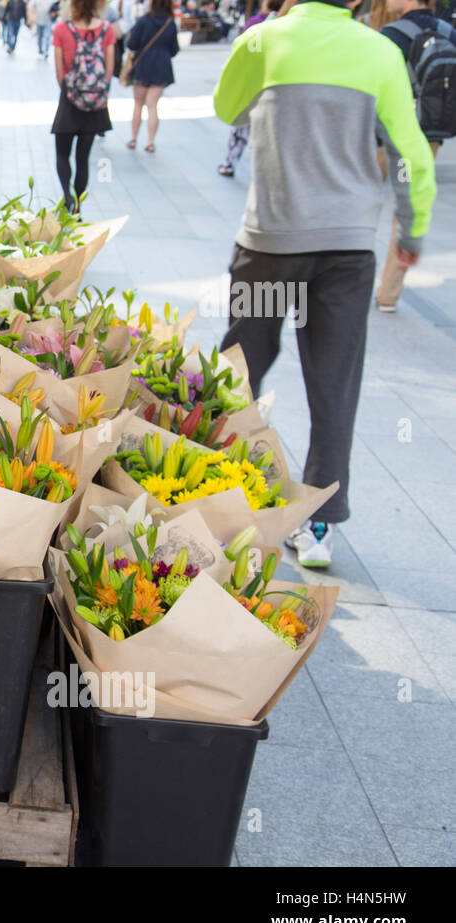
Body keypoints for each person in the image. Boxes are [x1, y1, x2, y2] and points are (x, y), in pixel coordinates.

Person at [213, 0, 435, 568]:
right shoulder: (379, 51)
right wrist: (411, 228)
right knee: (334, 384)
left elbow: (225, 110)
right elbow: (410, 155)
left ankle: (214, 491)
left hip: (269, 246)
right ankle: (317, 526)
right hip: (345, 253)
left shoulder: (262, 42)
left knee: (239, 368)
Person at [374, 0, 454, 311]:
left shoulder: (391, 36)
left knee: (365, 195)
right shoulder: (447, 30)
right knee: (404, 205)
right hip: (428, 140)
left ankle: (353, 278)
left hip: (389, 139)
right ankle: (389, 294)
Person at [51, 0, 116, 212]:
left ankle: (67, 196)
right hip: (95, 104)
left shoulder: (62, 29)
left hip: (70, 101)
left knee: (62, 153)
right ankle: (78, 205)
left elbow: (60, 72)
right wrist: (97, 93)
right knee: (83, 157)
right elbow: (109, 68)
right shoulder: (106, 29)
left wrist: (70, 90)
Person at [219, 0, 280, 175]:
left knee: (241, 129)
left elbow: (242, 56)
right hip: (273, 86)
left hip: (253, 87)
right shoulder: (284, 25)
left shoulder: (256, 25)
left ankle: (230, 163)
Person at [125, 0, 179, 152]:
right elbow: (174, 49)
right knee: (152, 106)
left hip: (143, 65)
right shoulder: (170, 23)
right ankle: (150, 141)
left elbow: (131, 43)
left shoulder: (144, 21)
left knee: (138, 104)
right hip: (161, 66)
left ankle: (134, 138)